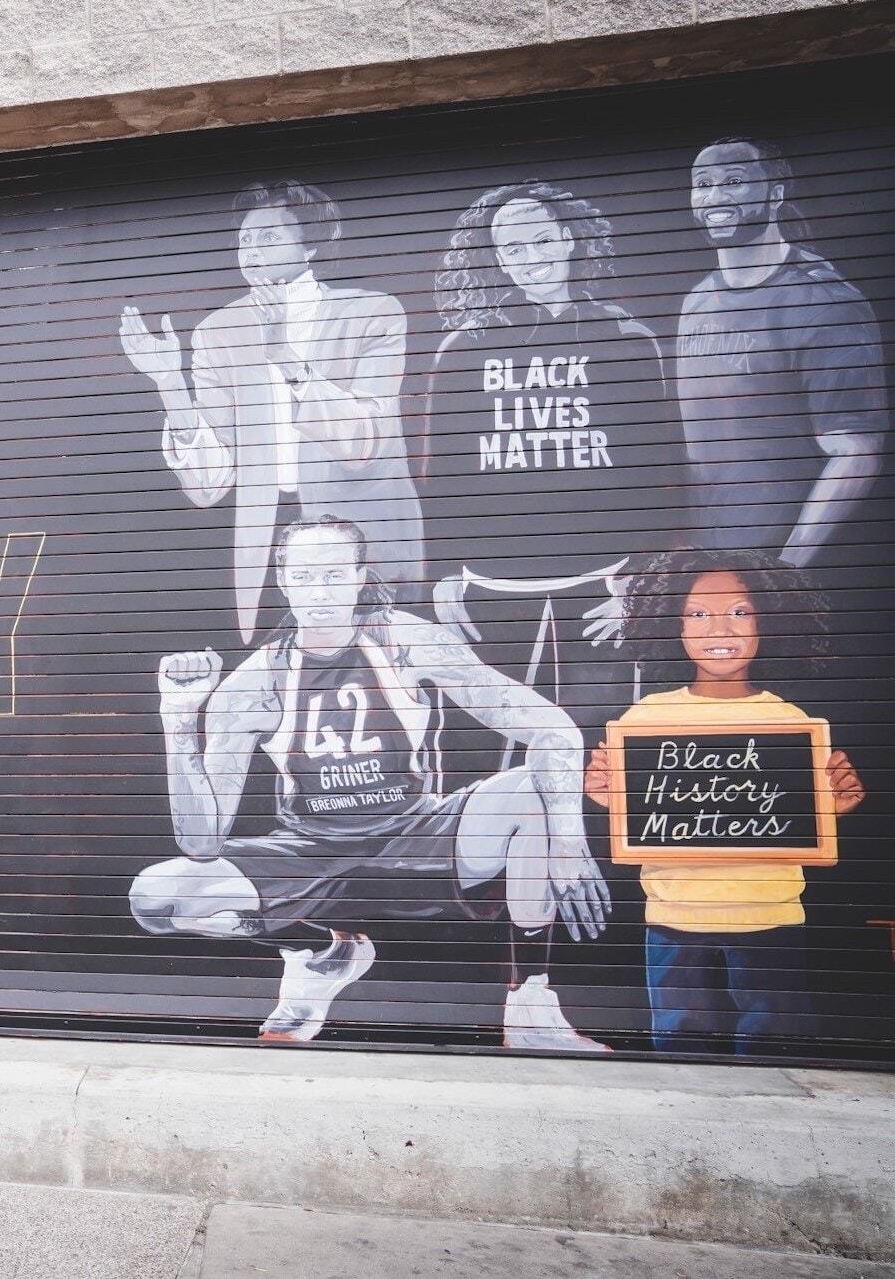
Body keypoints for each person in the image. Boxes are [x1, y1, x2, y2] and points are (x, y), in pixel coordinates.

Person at [131, 516, 610, 1050]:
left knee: (532, 789)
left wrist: (569, 840)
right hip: (313, 853)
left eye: (334, 575)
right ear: (282, 579)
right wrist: (178, 719)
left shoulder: (404, 639)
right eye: (305, 576)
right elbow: (202, 842)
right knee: (159, 895)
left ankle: (530, 1005)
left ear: (361, 577)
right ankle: (322, 957)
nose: (319, 592)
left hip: (420, 837)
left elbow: (552, 730)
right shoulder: (252, 685)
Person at [414, 180, 684, 730]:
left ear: (568, 238)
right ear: (495, 259)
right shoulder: (465, 348)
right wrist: (442, 580)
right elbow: (441, 477)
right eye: (512, 249)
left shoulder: (626, 338)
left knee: (602, 756)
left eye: (540, 241)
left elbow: (662, 476)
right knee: (498, 758)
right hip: (491, 595)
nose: (529, 259)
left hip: (600, 592)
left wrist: (645, 581)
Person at [584, 549, 862, 1054]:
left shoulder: (788, 721)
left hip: (769, 914)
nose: (720, 629)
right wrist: (607, 798)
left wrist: (832, 808)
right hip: (675, 916)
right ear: (674, 625)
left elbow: (796, 815)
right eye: (698, 613)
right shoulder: (645, 720)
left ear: (766, 621)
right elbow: (640, 811)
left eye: (739, 611)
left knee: (778, 1046)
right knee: (680, 1042)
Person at [120, 180, 424, 639]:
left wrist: (286, 356)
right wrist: (169, 383)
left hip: (363, 536)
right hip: (269, 543)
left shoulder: (372, 314)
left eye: (269, 237)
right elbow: (208, 483)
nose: (251, 251)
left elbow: (364, 440)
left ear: (312, 247)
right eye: (244, 240)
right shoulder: (219, 331)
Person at [674, 137, 888, 562]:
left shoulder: (822, 300)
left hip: (781, 568)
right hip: (713, 565)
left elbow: (854, 452)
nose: (714, 197)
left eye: (734, 181)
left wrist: (784, 570)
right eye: (703, 183)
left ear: (775, 194)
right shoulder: (696, 301)